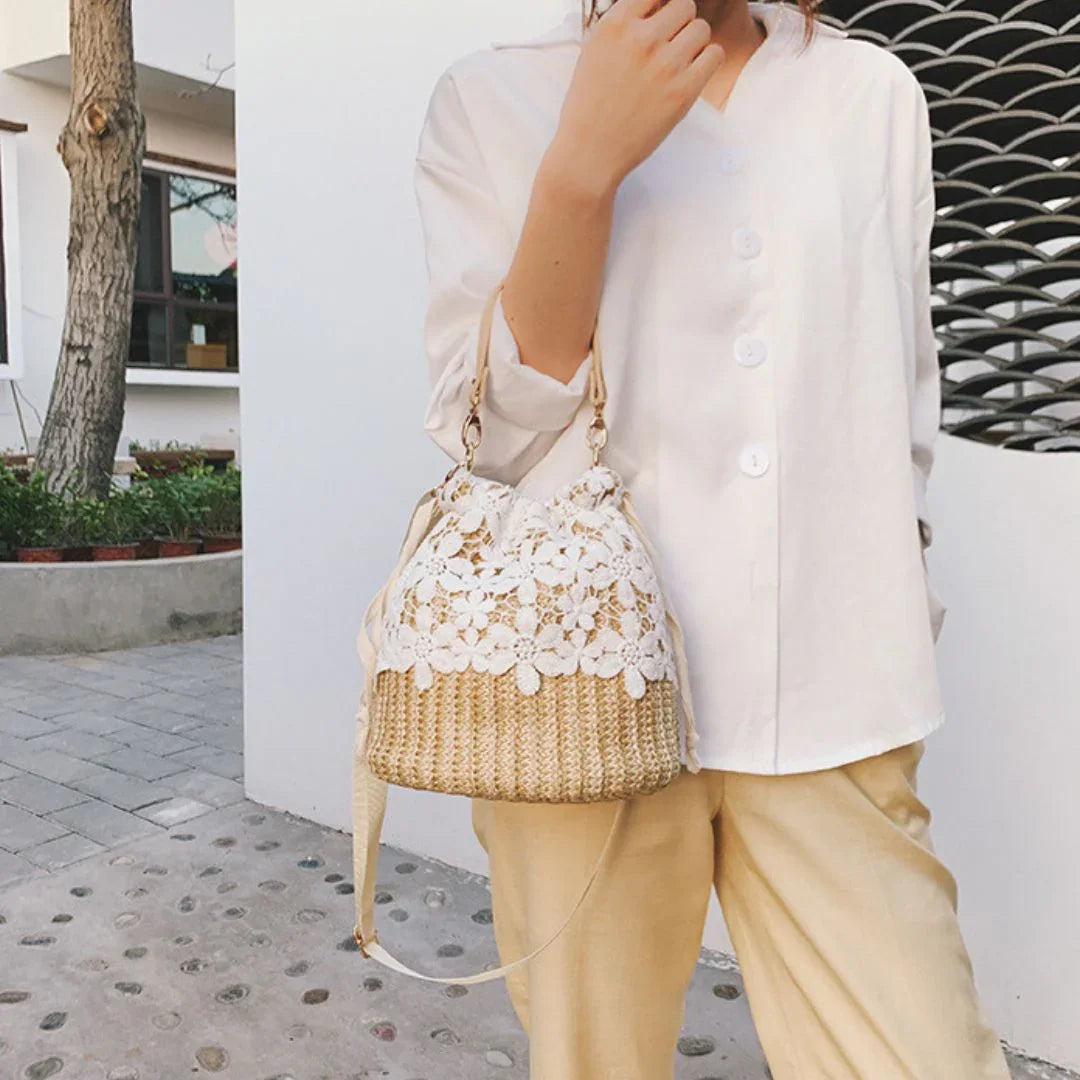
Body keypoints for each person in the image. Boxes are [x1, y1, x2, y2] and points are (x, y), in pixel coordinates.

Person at [411, 0, 1012, 1076]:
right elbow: (494, 434)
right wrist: (582, 165)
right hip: (583, 700)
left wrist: (895, 596)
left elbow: (899, 398)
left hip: (834, 698)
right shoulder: (495, 95)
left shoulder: (871, 92)